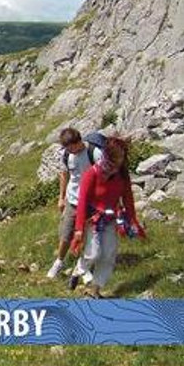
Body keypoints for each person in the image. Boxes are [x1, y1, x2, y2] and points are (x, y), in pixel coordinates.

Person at [69, 136, 145, 298]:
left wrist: (132, 220)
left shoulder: (122, 175)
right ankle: (79, 269)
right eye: (118, 156)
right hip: (93, 219)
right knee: (94, 253)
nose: (120, 160)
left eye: (123, 156)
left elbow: (128, 199)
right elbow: (82, 202)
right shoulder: (91, 174)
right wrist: (78, 230)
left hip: (111, 218)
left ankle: (95, 289)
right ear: (108, 155)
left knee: (109, 254)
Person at [47, 127, 102, 279]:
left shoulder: (94, 153)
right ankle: (59, 262)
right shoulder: (66, 154)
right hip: (72, 201)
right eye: (68, 149)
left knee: (89, 236)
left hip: (92, 203)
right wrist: (61, 197)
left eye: (73, 148)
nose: (71, 152)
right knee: (65, 234)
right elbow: (64, 175)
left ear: (79, 141)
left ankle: (83, 266)